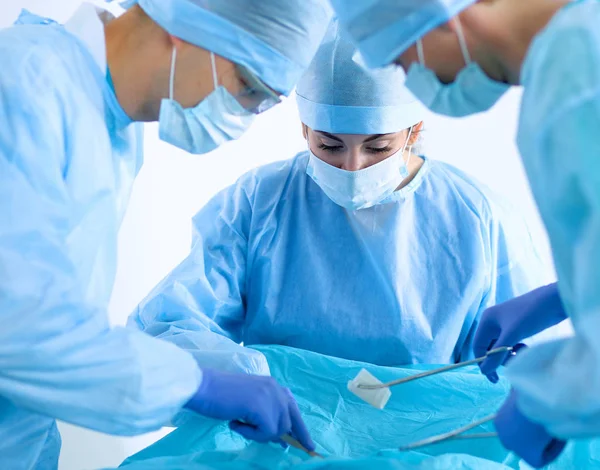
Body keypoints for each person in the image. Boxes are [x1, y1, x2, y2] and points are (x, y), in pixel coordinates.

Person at [0, 0, 332, 467]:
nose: (244, 115)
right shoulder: (21, 86)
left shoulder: (104, 120)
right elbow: (22, 328)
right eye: (250, 90)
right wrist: (196, 383)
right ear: (192, 26)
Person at [128, 21, 548, 381]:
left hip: (423, 444)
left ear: (414, 129)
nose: (352, 167)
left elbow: (529, 361)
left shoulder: (476, 217)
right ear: (304, 128)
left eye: (377, 147)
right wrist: (237, 379)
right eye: (330, 146)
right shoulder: (259, 204)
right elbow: (169, 327)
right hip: (284, 438)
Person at [328, 0, 598, 466]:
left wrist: (555, 397)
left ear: (438, 16)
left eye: (398, 61)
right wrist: (560, 297)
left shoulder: (576, 78)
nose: (411, 79)